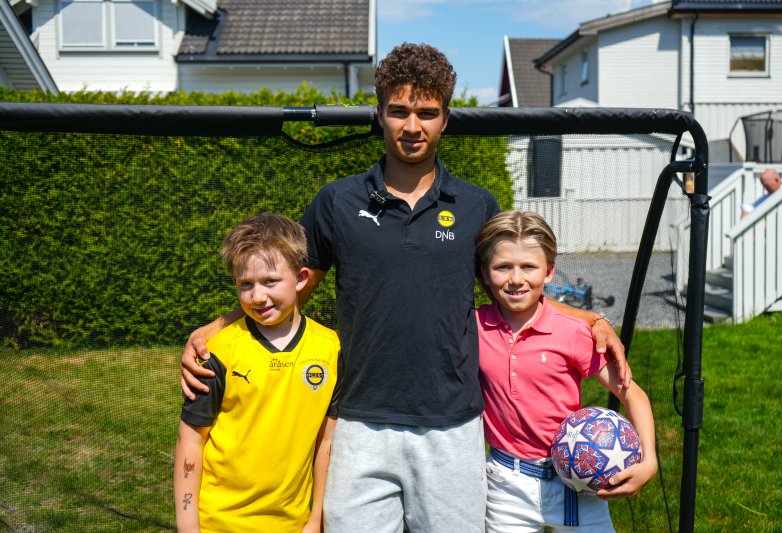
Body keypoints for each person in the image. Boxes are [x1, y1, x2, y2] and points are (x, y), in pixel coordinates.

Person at [179, 43, 629, 533]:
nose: (412, 126)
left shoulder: (477, 205)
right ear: (379, 114)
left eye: (426, 113)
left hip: (451, 425)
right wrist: (219, 326)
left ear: (445, 119)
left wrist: (591, 319)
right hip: (358, 421)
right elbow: (289, 287)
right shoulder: (336, 202)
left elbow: (516, 293)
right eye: (399, 111)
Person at [475, 211, 657, 532]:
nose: (516, 278)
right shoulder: (473, 328)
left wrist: (650, 460)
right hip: (505, 487)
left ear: (549, 272)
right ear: (485, 274)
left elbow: (633, 394)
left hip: (580, 483)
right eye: (503, 267)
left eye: (529, 267)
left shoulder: (572, 332)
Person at [173, 213, 338, 533]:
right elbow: (190, 442)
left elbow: (327, 443)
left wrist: (315, 519)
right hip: (217, 523)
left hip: (292, 524)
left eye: (270, 282)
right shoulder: (217, 352)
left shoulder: (332, 350)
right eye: (246, 285)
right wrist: (188, 526)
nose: (258, 296)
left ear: (302, 278)